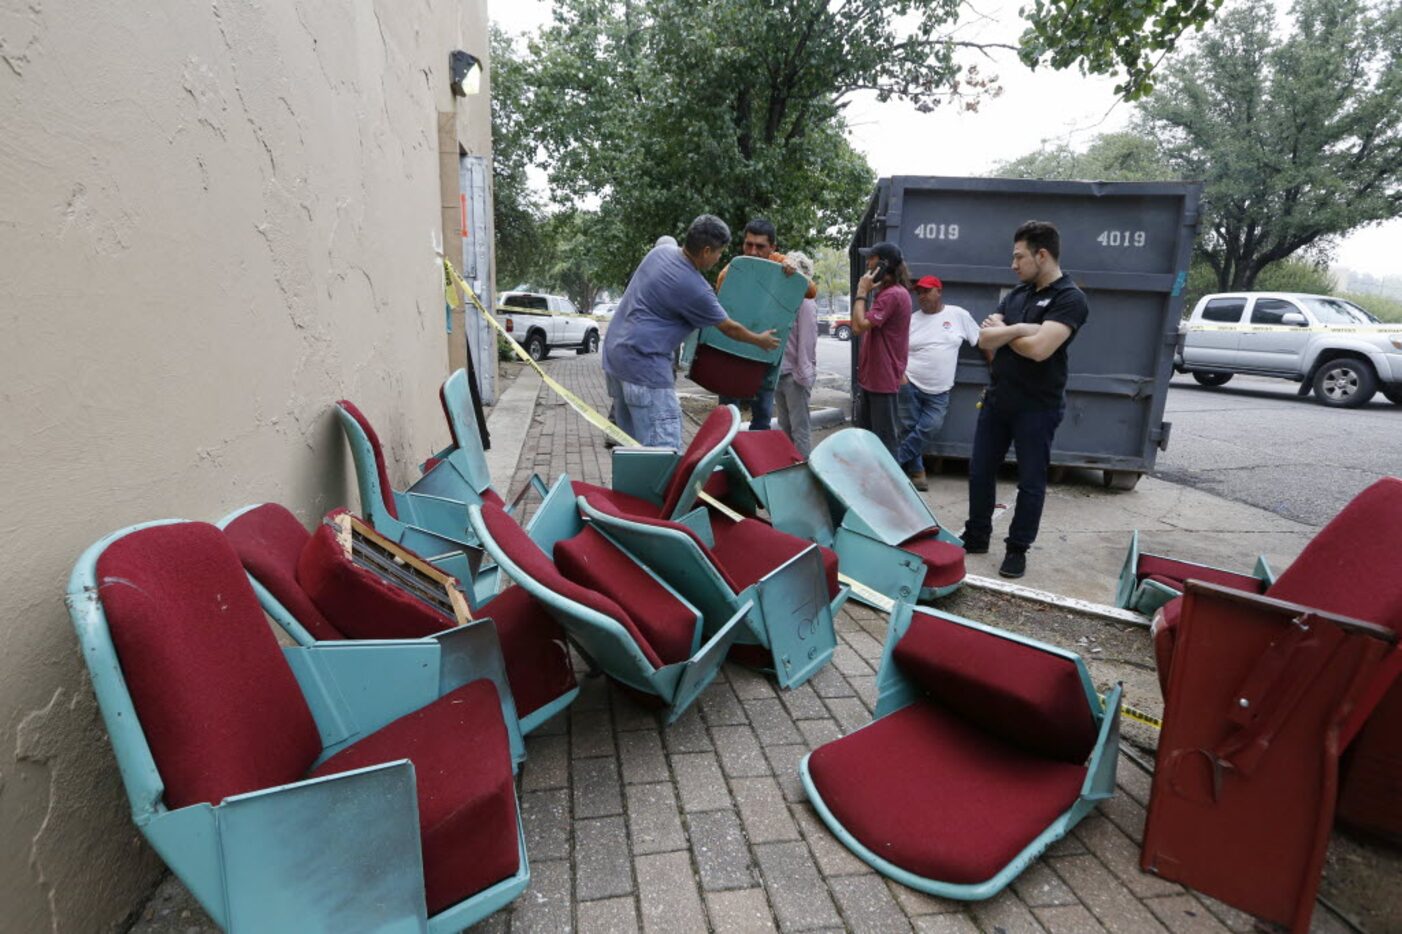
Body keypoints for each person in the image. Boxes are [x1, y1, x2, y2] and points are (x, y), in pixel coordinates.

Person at [962, 220, 1089, 579]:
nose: (1013, 264)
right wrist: (1018, 328)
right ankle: (976, 536)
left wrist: (1003, 332)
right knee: (980, 471)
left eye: (1019, 257)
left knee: (1030, 481)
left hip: (1038, 406)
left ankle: (1017, 549)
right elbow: (983, 340)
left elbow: (1039, 350)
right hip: (998, 400)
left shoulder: (1070, 298)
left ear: (1042, 254)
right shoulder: (1017, 295)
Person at [602, 215, 780, 449]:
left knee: (630, 446)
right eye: (718, 253)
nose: (718, 258)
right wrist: (760, 340)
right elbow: (728, 327)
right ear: (706, 251)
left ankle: (628, 485)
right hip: (646, 371)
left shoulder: (659, 254)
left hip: (616, 360)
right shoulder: (695, 287)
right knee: (663, 449)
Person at [714, 218, 818, 430]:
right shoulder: (735, 267)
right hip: (732, 352)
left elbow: (811, 291)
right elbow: (720, 297)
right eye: (748, 244)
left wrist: (792, 273)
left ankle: (755, 462)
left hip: (763, 356)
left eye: (760, 246)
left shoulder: (779, 262)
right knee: (726, 418)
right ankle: (726, 460)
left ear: (772, 248)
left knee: (762, 419)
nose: (752, 251)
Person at [896, 275, 979, 491]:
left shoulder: (958, 315)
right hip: (909, 383)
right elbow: (895, 349)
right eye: (919, 292)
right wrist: (900, 375)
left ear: (939, 292)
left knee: (930, 426)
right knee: (908, 427)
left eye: (926, 291)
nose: (922, 296)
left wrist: (995, 366)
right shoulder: (911, 319)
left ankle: (894, 461)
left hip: (939, 389)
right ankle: (917, 473)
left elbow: (981, 340)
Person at [851, 241, 912, 457]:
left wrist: (861, 292)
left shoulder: (893, 295)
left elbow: (858, 326)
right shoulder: (886, 293)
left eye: (871, 259)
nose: (867, 263)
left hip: (882, 382)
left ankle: (890, 490)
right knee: (866, 442)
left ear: (884, 265)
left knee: (885, 445)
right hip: (873, 380)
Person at [774, 251, 819, 456]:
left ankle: (803, 472)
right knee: (785, 427)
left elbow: (807, 342)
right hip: (780, 371)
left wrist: (804, 376)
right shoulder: (783, 299)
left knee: (799, 429)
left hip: (795, 376)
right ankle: (791, 469)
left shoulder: (806, 302)